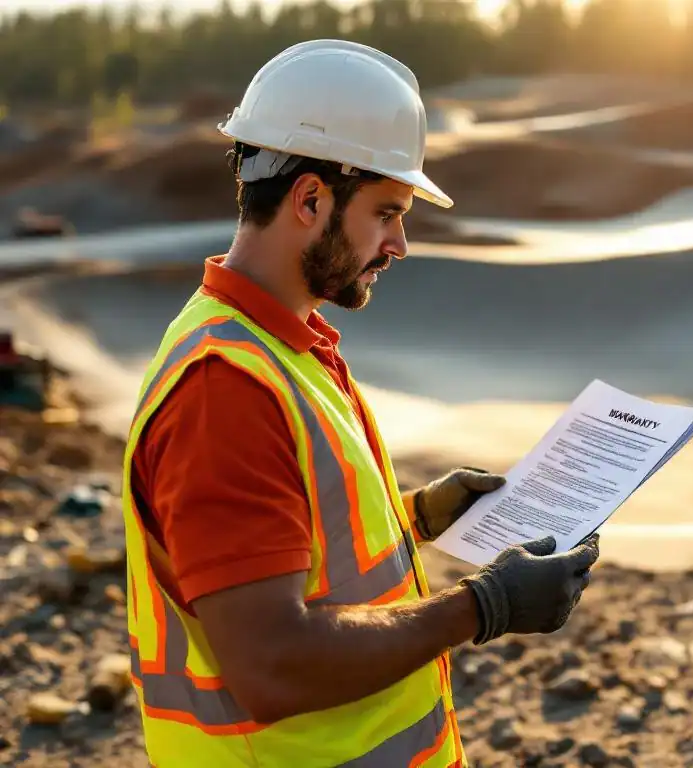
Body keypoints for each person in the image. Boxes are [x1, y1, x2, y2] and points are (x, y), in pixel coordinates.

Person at [121, 39, 600, 768]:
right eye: (386, 213)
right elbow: (273, 664)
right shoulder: (226, 390)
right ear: (311, 199)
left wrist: (419, 517)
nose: (399, 244)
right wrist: (484, 606)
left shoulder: (279, 346)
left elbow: (293, 543)